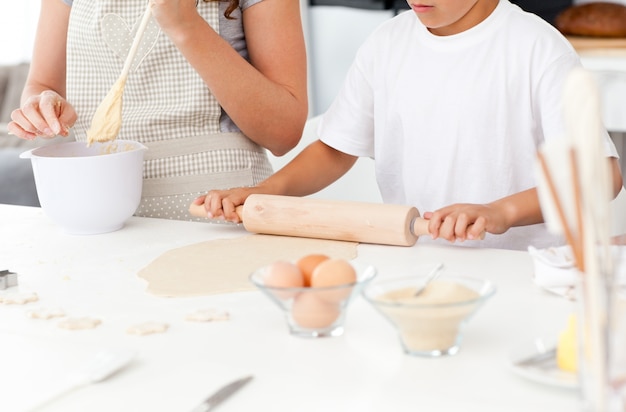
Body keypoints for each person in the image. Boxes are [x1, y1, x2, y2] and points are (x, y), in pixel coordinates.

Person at [195, 0, 623, 251]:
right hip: (419, 264)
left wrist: (500, 212)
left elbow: (602, 175)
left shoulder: (536, 47)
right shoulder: (388, 42)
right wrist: (264, 193)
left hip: (521, 270)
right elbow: (335, 149)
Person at [8, 0, 308, 221]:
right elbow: (42, 84)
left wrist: (185, 25)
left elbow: (284, 133)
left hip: (220, 216)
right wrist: (43, 102)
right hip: (100, 217)